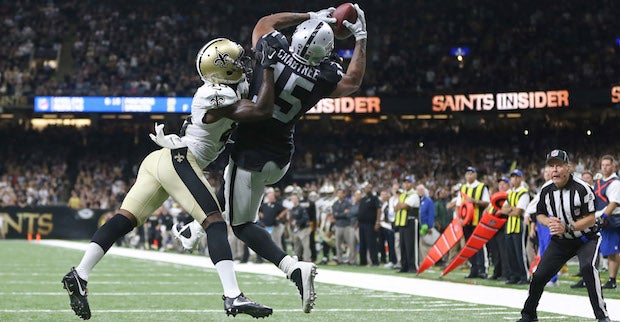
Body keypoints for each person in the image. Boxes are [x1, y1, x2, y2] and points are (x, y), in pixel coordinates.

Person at [61, 38, 278, 320]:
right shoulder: (214, 94)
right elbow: (261, 110)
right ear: (222, 71)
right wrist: (270, 69)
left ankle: (80, 273)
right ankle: (233, 295)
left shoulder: (228, 89)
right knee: (214, 223)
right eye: (237, 62)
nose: (243, 66)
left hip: (161, 160)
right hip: (178, 159)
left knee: (123, 219)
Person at [217, 5, 366, 314]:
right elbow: (352, 82)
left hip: (252, 151)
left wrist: (310, 15)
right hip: (281, 155)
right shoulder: (326, 75)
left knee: (241, 224)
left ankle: (292, 268)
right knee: (229, 193)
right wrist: (361, 38)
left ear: (296, 38)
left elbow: (265, 21)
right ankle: (194, 226)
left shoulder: (272, 47)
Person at [518, 149, 610, 322]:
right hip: (561, 241)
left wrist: (567, 227)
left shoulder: (583, 188)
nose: (554, 169)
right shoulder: (546, 191)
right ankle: (529, 315)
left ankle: (602, 317)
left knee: (587, 268)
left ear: (568, 167)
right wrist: (549, 222)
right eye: (551, 166)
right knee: (538, 276)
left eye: (559, 166)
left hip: (586, 239)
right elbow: (539, 214)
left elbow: (591, 219)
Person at [459, 166, 490, 278]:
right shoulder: (463, 188)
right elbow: (459, 204)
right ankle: (474, 268)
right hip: (466, 222)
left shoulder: (481, 187)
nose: (469, 175)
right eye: (467, 173)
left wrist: (474, 201)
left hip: (478, 220)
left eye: (471, 173)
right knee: (469, 246)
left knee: (479, 245)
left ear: (475, 175)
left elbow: (487, 202)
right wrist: (459, 219)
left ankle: (483, 269)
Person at [501, 169, 530, 285]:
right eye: (512, 177)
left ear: (520, 178)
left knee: (520, 252)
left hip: (519, 225)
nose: (514, 179)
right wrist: (512, 209)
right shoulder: (510, 192)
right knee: (510, 252)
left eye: (516, 177)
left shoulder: (524, 192)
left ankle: (524, 276)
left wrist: (510, 209)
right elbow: (503, 210)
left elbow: (518, 212)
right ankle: (514, 275)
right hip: (510, 226)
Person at [595, 155, 620, 289]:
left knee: (612, 250)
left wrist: (603, 217)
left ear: (613, 166)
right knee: (605, 250)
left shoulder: (615, 183)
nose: (604, 167)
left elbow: (614, 203)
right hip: (599, 218)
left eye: (607, 165)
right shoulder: (599, 182)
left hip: (610, 220)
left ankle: (612, 279)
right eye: (602, 165)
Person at [394, 176, 421, 272]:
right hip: (402, 222)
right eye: (405, 182)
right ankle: (404, 266)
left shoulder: (414, 195)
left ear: (412, 184)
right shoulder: (403, 195)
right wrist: (401, 205)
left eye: (408, 182)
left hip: (411, 221)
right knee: (403, 245)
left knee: (411, 245)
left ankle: (413, 266)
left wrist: (401, 205)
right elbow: (396, 208)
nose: (406, 184)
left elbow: (405, 206)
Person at [487, 176, 510, 280]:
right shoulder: (495, 196)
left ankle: (505, 273)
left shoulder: (510, 194)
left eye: (504, 183)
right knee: (495, 250)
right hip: (494, 225)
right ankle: (497, 272)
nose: (501, 185)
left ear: (509, 185)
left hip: (504, 223)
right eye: (500, 183)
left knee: (504, 251)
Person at [356, 183, 382, 267]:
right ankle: (363, 261)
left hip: (370, 224)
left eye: (369, 188)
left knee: (371, 243)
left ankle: (374, 261)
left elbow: (378, 209)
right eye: (367, 188)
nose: (368, 189)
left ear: (372, 189)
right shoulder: (363, 199)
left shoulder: (374, 198)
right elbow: (360, 212)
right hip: (361, 224)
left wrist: (377, 222)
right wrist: (357, 222)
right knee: (362, 243)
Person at [332, 188, 356, 265]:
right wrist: (343, 213)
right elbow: (335, 215)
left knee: (351, 243)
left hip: (347, 226)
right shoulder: (335, 204)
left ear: (343, 194)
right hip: (338, 226)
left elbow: (349, 214)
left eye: (341, 193)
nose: (340, 195)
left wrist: (339, 214)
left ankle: (352, 260)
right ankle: (340, 260)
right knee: (338, 244)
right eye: (338, 193)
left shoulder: (347, 203)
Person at [416, 184, 435, 265]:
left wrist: (430, 225)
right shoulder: (417, 200)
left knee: (426, 245)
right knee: (420, 245)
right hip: (418, 226)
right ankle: (421, 262)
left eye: (421, 190)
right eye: (418, 190)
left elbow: (431, 214)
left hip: (425, 225)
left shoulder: (428, 201)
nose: (420, 191)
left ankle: (427, 263)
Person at [290, 194, 312, 261]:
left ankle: (307, 259)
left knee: (305, 245)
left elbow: (305, 218)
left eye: (294, 198)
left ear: (297, 199)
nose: (293, 200)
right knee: (297, 245)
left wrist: (297, 222)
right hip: (297, 229)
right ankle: (297, 259)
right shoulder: (293, 209)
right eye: (292, 199)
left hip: (304, 228)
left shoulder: (301, 208)